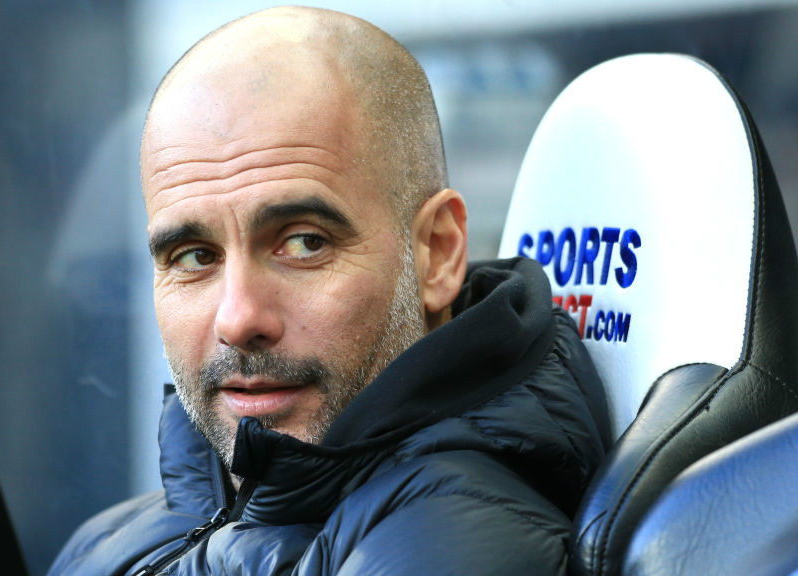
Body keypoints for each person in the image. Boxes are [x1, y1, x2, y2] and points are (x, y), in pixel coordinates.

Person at [49, 6, 610, 575]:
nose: (238, 319)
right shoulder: (120, 534)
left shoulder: (452, 544)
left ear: (437, 254)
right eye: (195, 257)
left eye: (304, 244)